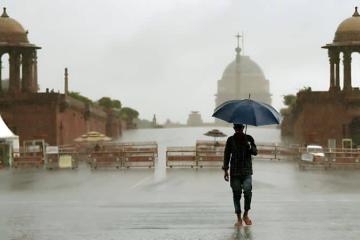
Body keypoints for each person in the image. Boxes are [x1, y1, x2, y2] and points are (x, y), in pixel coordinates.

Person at [222, 123, 257, 227]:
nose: (238, 130)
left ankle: (246, 214)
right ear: (234, 129)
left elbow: (255, 152)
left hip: (247, 171)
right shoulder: (230, 140)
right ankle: (238, 218)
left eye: (240, 128)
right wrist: (225, 170)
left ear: (243, 128)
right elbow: (226, 155)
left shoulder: (249, 138)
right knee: (236, 194)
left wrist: (249, 146)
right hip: (235, 172)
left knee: (247, 191)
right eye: (236, 128)